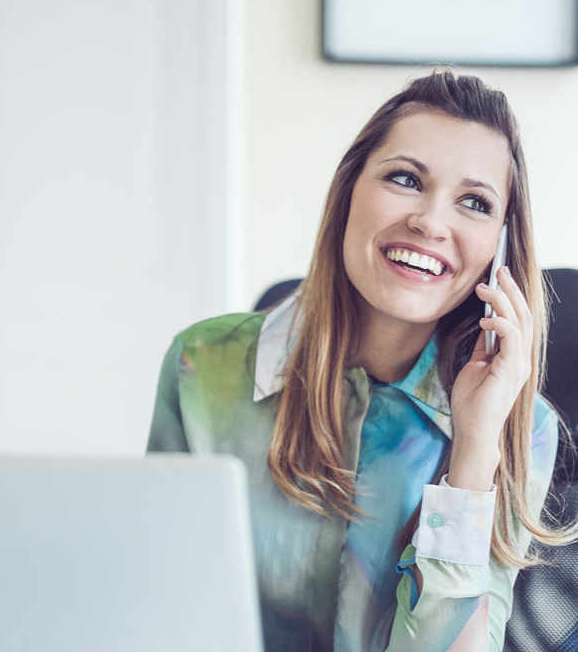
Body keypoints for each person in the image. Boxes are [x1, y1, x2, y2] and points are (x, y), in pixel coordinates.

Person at [147, 70, 576, 652]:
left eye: (474, 203)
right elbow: (158, 607)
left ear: (499, 247)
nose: (431, 222)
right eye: (405, 179)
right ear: (350, 191)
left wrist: (473, 455)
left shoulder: (521, 432)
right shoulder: (204, 365)